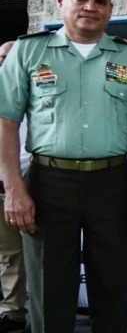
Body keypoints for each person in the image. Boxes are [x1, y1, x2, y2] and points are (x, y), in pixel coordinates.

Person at [0, 0, 127, 332]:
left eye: (100, 1)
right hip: (49, 183)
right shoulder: (28, 53)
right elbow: (6, 121)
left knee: (112, 288)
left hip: (113, 181)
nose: (90, 7)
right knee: (49, 291)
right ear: (60, 1)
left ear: (111, 9)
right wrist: (13, 188)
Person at [0, 42, 27, 333]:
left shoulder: (33, 88)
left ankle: (45, 309)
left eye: (8, 57)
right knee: (8, 253)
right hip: (1, 184)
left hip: (33, 180)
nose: (3, 62)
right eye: (0, 58)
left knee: (40, 252)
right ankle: (13, 311)